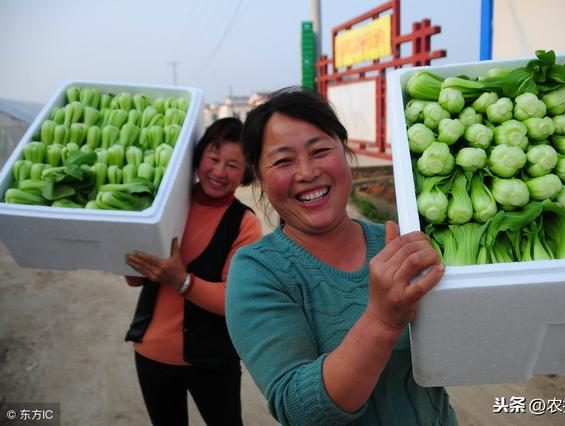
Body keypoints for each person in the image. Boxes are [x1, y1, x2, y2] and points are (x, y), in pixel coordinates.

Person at [225, 87, 457, 425]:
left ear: (345, 152)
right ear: (259, 177)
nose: (306, 172)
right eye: (284, 160)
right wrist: (382, 320)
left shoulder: (397, 243)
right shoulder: (258, 272)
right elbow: (297, 409)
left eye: (319, 150)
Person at [123, 117, 262, 426]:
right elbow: (135, 279)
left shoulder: (244, 223)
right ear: (198, 157)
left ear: (245, 174)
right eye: (213, 159)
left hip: (212, 361)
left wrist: (182, 281)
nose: (219, 172)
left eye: (233, 165)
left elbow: (234, 300)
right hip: (151, 353)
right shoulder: (163, 204)